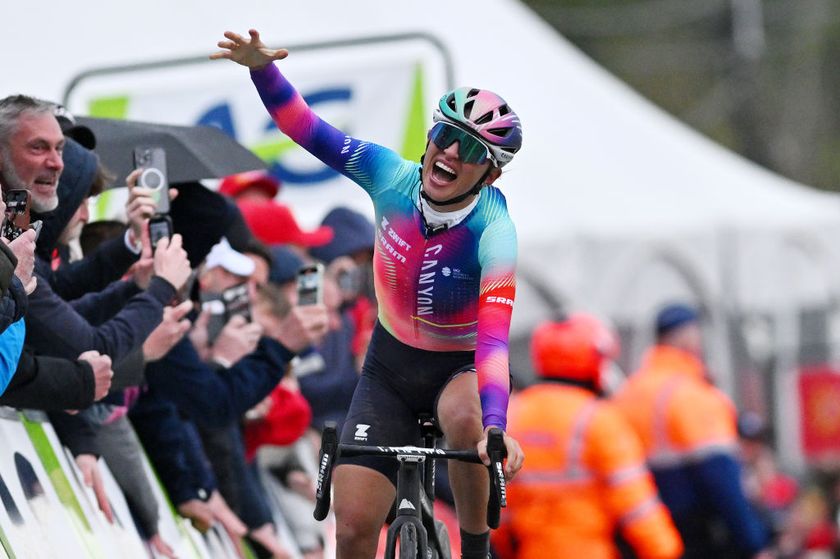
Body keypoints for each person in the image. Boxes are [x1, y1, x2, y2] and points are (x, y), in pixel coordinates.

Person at [213, 29, 525, 559]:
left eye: (469, 147)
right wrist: (261, 70)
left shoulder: (494, 232)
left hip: (458, 368)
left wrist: (496, 426)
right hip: (388, 368)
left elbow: (494, 341)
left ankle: (476, 548)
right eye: (444, 135)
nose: (448, 151)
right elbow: (307, 130)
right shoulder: (389, 175)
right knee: (354, 529)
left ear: (490, 171)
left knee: (469, 427)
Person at [493, 314, 683, 559]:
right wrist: (666, 551)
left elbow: (500, 506)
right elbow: (636, 505)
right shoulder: (599, 420)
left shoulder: (514, 413)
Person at [612, 303, 772, 559]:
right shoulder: (693, 396)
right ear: (688, 336)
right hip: (694, 538)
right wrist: (753, 543)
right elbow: (722, 481)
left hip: (637, 540)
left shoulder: (627, 393)